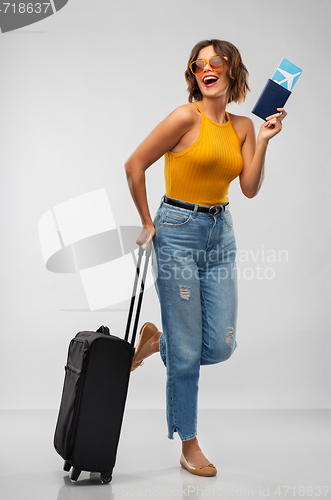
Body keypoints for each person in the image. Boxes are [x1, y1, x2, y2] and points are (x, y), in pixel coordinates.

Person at [124, 39, 287, 477]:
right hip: (176, 230)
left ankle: (158, 341)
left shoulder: (242, 128)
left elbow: (249, 188)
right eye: (199, 64)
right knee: (186, 356)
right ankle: (189, 444)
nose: (206, 68)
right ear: (194, 75)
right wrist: (147, 221)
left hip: (222, 233)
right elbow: (135, 163)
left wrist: (266, 139)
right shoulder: (184, 117)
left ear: (233, 69)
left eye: (216, 61)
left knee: (220, 345)